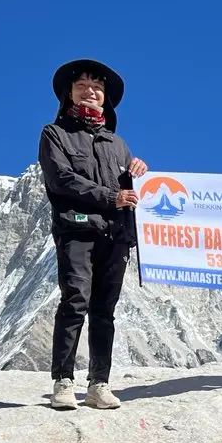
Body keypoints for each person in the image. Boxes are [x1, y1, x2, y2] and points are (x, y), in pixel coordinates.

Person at [39, 58, 147, 410]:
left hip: (115, 236)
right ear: (69, 94)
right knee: (75, 300)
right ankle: (63, 382)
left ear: (105, 98)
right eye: (82, 85)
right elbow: (62, 179)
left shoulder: (118, 144)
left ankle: (99, 384)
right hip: (77, 229)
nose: (90, 91)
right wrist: (111, 196)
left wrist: (139, 173)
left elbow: (131, 192)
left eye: (97, 87)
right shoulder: (55, 134)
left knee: (104, 311)